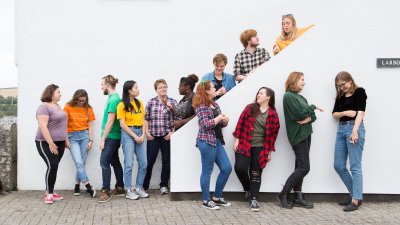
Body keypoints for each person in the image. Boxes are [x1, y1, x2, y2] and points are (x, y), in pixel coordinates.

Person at [277, 72, 323, 209]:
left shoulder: (301, 97)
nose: (304, 82)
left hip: (306, 134)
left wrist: (309, 118)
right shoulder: (288, 96)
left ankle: (297, 196)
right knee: (304, 167)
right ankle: (283, 193)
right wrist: (313, 107)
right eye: (302, 80)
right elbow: (299, 114)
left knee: (299, 166)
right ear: (294, 80)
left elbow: (312, 117)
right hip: (298, 136)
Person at [233, 87, 280, 212]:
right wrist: (236, 139)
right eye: (258, 93)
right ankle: (248, 188)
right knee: (240, 168)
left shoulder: (273, 114)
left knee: (255, 173)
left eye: (261, 93)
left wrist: (269, 151)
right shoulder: (250, 108)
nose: (258, 95)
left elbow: (273, 135)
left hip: (260, 147)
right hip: (244, 143)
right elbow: (240, 123)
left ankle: (253, 198)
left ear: (268, 97)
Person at [193, 80, 232, 210]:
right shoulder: (200, 106)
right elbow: (205, 125)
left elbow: (219, 124)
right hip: (206, 141)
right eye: (212, 87)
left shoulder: (215, 104)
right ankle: (206, 200)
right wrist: (219, 118)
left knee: (226, 168)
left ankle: (217, 196)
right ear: (207, 91)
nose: (215, 88)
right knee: (207, 171)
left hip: (217, 140)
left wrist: (225, 121)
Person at [332, 71, 367, 212]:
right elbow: (334, 114)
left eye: (343, 84)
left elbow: (361, 112)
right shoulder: (340, 96)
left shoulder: (360, 92)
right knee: (338, 165)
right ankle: (356, 196)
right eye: (339, 86)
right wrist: (345, 113)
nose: (341, 88)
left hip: (354, 128)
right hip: (341, 130)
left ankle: (355, 199)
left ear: (350, 81)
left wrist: (355, 131)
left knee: (355, 166)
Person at [143, 79, 178, 194]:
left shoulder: (173, 101)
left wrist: (172, 132)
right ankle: (144, 186)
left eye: (164, 87)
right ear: (156, 90)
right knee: (149, 161)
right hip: (153, 136)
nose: (163, 89)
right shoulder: (150, 102)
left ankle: (163, 185)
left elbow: (177, 119)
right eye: (160, 87)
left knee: (166, 161)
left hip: (166, 136)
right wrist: (147, 133)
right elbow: (146, 119)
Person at [35, 84, 67, 204]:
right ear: (51, 93)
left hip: (60, 141)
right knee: (52, 165)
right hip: (44, 142)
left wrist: (66, 140)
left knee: (54, 166)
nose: (60, 94)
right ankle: (48, 194)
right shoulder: (43, 107)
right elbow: (43, 126)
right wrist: (51, 143)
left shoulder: (57, 106)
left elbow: (62, 124)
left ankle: (51, 191)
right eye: (58, 92)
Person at [117, 80, 149, 200]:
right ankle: (129, 189)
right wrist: (134, 136)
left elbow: (144, 119)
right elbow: (122, 124)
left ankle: (139, 187)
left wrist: (143, 134)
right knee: (129, 164)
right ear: (129, 90)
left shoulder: (139, 103)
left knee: (144, 163)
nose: (138, 89)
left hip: (140, 132)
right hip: (128, 134)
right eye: (135, 87)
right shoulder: (121, 105)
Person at [64, 89, 96, 198]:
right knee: (79, 162)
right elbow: (64, 125)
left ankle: (77, 185)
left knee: (81, 162)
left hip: (85, 137)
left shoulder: (88, 108)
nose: (81, 102)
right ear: (75, 98)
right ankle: (88, 186)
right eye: (79, 100)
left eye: (83, 100)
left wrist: (91, 140)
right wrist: (66, 140)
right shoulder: (67, 107)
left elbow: (90, 126)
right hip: (72, 137)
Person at [98, 75, 125, 203]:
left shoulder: (114, 99)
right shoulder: (112, 98)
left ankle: (106, 190)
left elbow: (110, 121)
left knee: (104, 161)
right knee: (114, 162)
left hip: (111, 137)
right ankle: (120, 187)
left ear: (108, 85)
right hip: (112, 136)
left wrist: (103, 138)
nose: (101, 87)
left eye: (102, 84)